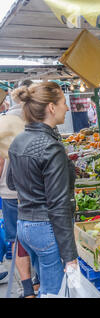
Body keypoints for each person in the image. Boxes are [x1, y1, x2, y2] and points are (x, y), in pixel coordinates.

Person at [7, 82, 78, 297]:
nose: (67, 108)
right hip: (45, 228)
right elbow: (58, 204)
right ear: (51, 107)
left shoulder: (18, 140)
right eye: (64, 103)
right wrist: (70, 255)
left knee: (46, 287)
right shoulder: (51, 146)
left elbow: (12, 184)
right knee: (52, 291)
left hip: (24, 226)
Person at [0, 79, 40, 298]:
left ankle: (27, 289)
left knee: (18, 240)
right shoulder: (36, 119)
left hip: (9, 190)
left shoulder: (4, 120)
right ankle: (39, 280)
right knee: (39, 234)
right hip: (34, 190)